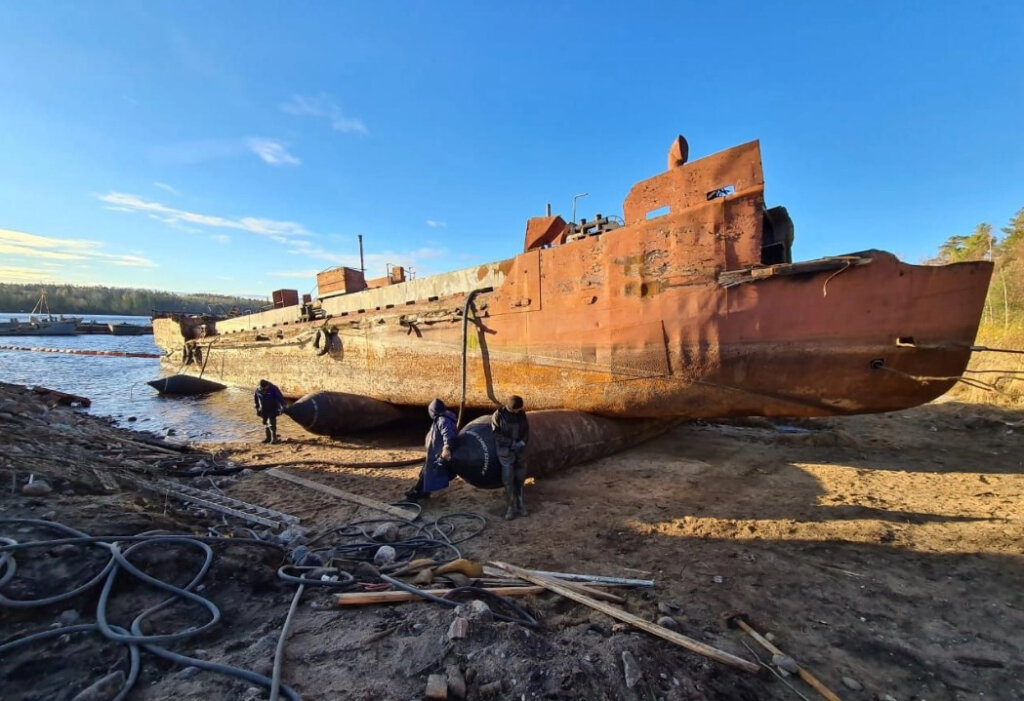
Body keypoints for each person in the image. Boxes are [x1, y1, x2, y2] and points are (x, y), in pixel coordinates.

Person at [404, 398, 458, 502]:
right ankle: (424, 492)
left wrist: (445, 451)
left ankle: (416, 493)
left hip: (439, 454)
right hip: (434, 453)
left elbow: (449, 436)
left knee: (429, 473)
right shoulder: (440, 419)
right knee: (425, 473)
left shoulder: (443, 420)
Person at [491, 395, 529, 520]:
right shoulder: (498, 415)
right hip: (506, 452)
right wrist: (511, 443)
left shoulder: (521, 414)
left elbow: (526, 430)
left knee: (520, 479)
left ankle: (521, 505)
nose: (519, 411)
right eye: (517, 409)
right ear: (512, 408)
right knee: (508, 481)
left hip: (520, 451)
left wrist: (522, 442)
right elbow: (496, 434)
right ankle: (510, 507)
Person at [254, 379, 286, 444]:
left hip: (273, 409)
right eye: (263, 388)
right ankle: (268, 438)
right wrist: (257, 408)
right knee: (265, 423)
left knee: (272, 423)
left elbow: (280, 398)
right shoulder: (258, 389)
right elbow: (256, 399)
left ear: (268, 385)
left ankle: (274, 439)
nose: (265, 389)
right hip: (263, 410)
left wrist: (283, 406)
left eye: (266, 387)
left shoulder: (274, 388)